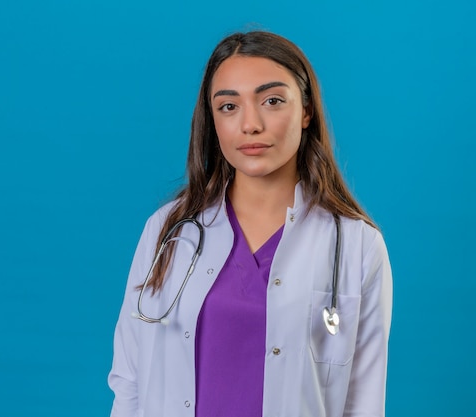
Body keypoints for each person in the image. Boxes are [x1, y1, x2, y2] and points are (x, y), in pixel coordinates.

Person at [108, 30, 392, 417]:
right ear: (212, 119)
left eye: (272, 101)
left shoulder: (357, 246)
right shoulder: (169, 231)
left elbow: (363, 401)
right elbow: (129, 381)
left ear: (306, 111)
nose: (250, 124)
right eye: (228, 106)